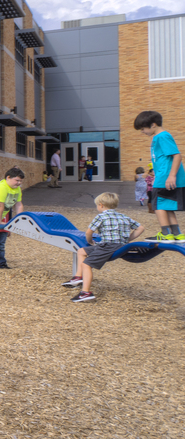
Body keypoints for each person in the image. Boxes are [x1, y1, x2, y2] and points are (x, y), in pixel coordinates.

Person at [61, 192, 143, 304]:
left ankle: (85, 293)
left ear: (101, 205)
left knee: (86, 264)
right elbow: (140, 228)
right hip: (119, 245)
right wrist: (127, 240)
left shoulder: (101, 216)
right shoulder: (123, 216)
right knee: (81, 251)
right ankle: (78, 277)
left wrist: (90, 241)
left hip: (108, 246)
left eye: (97, 205)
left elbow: (89, 232)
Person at [135, 111, 181, 240]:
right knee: (166, 205)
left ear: (153, 125)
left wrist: (172, 176)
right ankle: (176, 234)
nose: (142, 132)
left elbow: (177, 155)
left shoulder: (162, 136)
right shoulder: (157, 137)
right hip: (162, 176)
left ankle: (166, 234)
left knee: (158, 205)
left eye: (143, 129)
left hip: (165, 178)